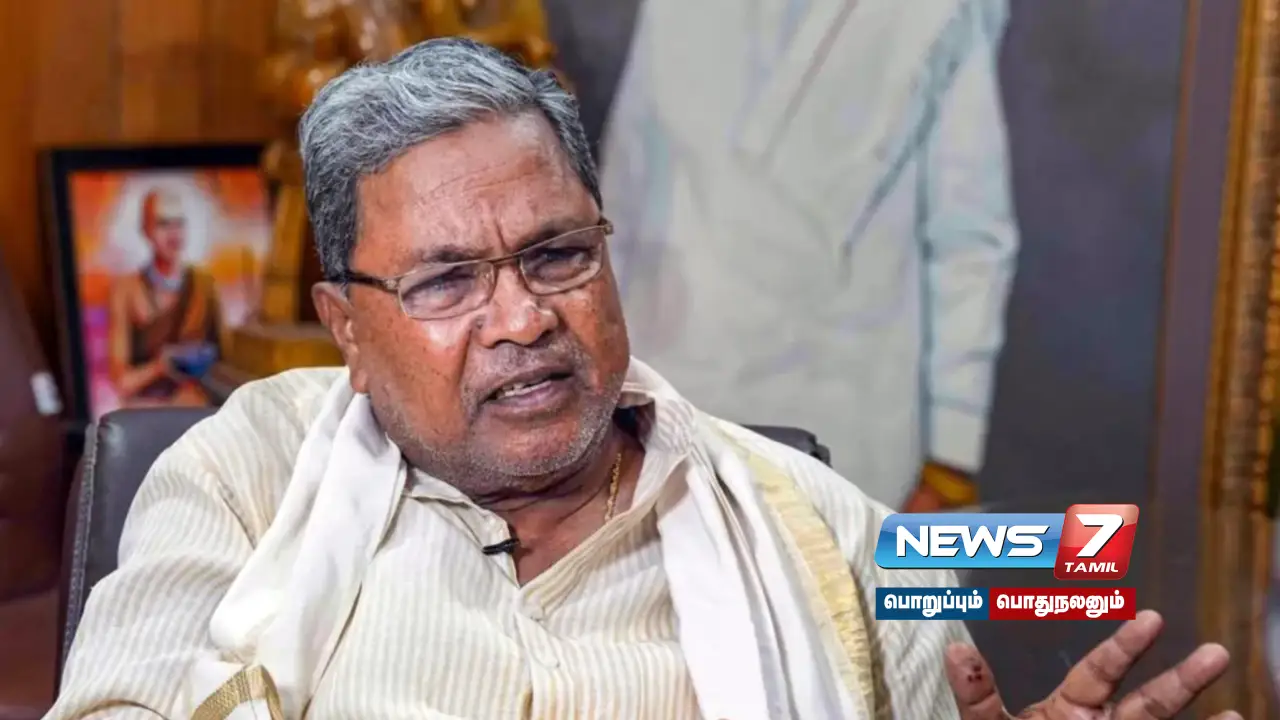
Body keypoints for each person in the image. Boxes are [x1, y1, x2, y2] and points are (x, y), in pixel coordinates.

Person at [49, 38, 1237, 720]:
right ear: (346, 327)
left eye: (557, 255)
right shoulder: (244, 477)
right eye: (447, 282)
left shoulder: (834, 537)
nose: (524, 318)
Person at [600, 0, 1018, 511]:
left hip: (848, 436)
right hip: (665, 418)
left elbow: (967, 236)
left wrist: (952, 453)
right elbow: (623, 196)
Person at [106, 187, 221, 408]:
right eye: (163, 224)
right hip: (144, 411)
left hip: (197, 411)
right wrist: (161, 366)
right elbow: (122, 383)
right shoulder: (126, 290)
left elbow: (225, 364)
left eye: (179, 224)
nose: (173, 234)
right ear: (146, 230)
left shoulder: (204, 285)